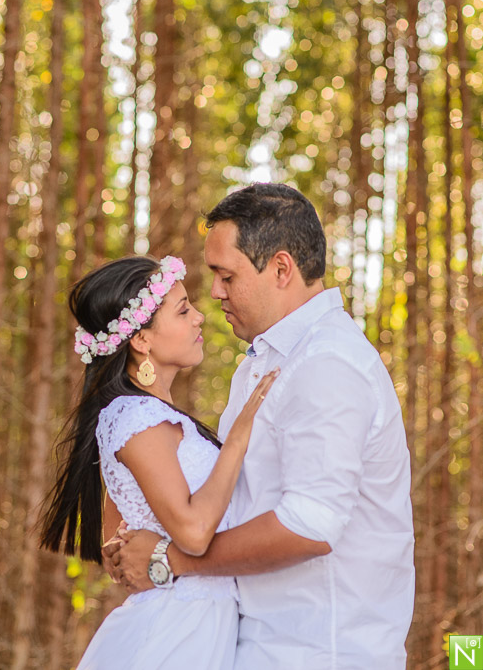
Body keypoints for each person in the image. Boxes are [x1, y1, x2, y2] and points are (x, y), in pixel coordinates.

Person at [106, 183, 415, 670]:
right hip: (256, 644)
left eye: (226, 275)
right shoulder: (264, 361)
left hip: (319, 652)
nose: (215, 292)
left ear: (281, 269)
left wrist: (170, 560)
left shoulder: (328, 362)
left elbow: (309, 526)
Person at [39, 254, 278, 670]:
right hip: (176, 633)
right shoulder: (138, 418)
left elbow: (116, 536)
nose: (199, 317)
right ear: (141, 340)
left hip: (198, 625)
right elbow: (195, 533)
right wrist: (238, 439)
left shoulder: (144, 416)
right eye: (183, 310)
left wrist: (139, 554)